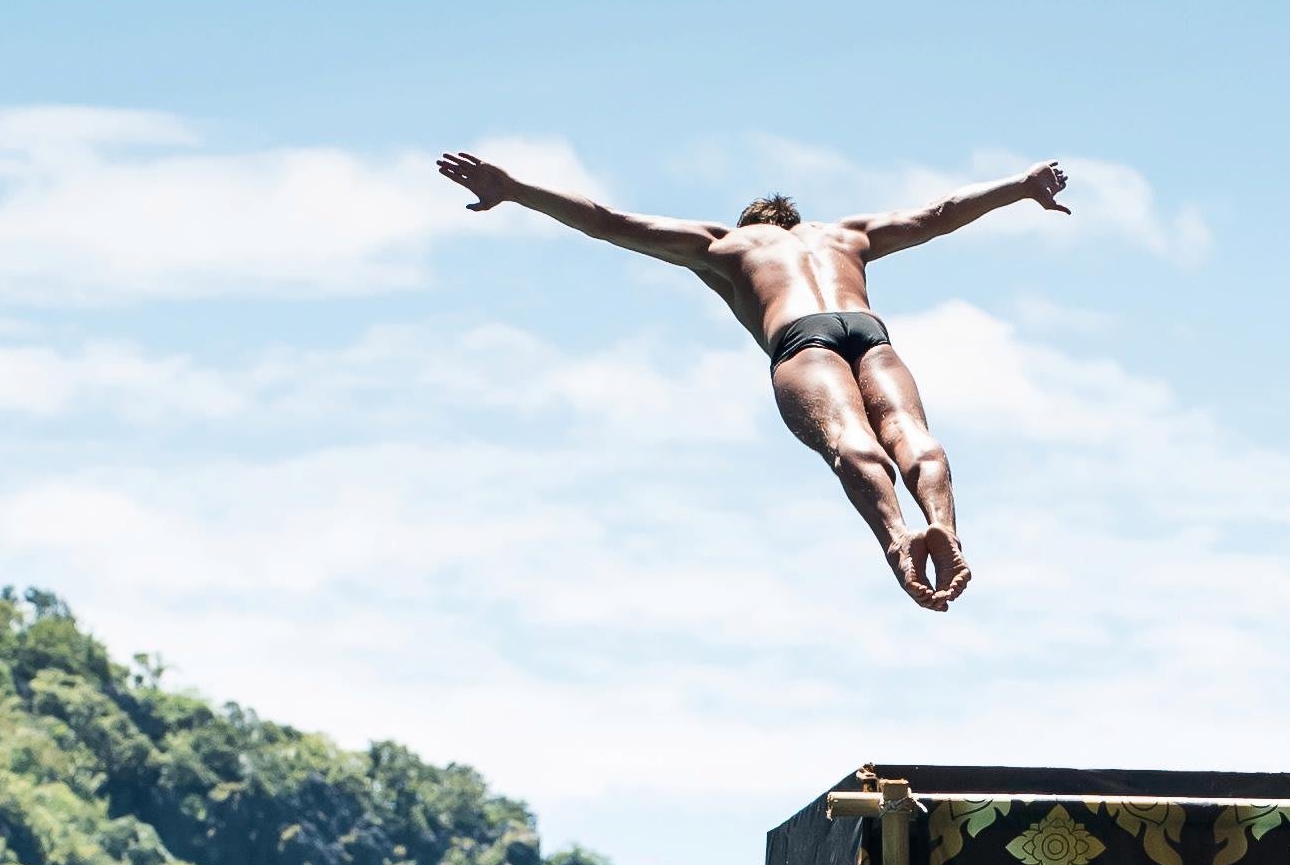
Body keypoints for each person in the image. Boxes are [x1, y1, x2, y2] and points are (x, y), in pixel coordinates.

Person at [433, 148, 1072, 609]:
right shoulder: (845, 236)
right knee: (911, 434)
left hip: (802, 339)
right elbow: (939, 212)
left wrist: (514, 188)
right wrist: (1020, 185)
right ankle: (946, 530)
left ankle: (901, 541)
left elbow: (610, 220)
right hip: (870, 332)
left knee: (851, 442)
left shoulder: (727, 244)